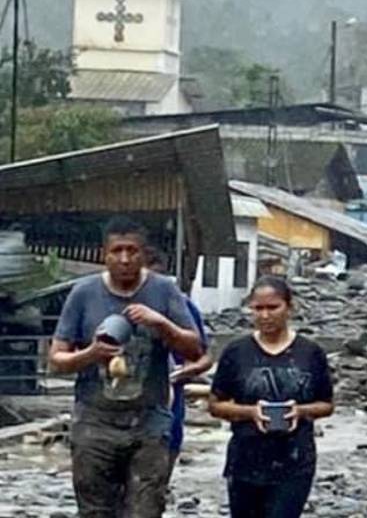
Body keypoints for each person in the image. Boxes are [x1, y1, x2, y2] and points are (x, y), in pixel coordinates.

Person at [48, 217, 203, 518]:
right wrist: (91, 353)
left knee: (145, 509)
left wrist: (161, 323)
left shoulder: (164, 291)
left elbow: (195, 349)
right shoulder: (84, 294)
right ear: (103, 254)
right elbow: (57, 360)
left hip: (148, 422)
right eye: (117, 251)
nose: (124, 259)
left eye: (132, 251)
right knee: (94, 510)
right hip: (95, 422)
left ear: (144, 254)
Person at [209, 276, 335, 518]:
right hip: (245, 460)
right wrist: (250, 412)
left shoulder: (310, 352)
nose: (265, 315)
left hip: (295, 462)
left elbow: (327, 404)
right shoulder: (236, 352)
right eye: (258, 308)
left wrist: (299, 411)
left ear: (289, 308)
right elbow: (215, 405)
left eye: (272, 307)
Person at [144, 248, 215, 480]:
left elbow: (204, 357)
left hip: (167, 410)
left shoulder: (180, 306)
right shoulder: (109, 304)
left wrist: (182, 373)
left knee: (153, 492)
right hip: (116, 417)